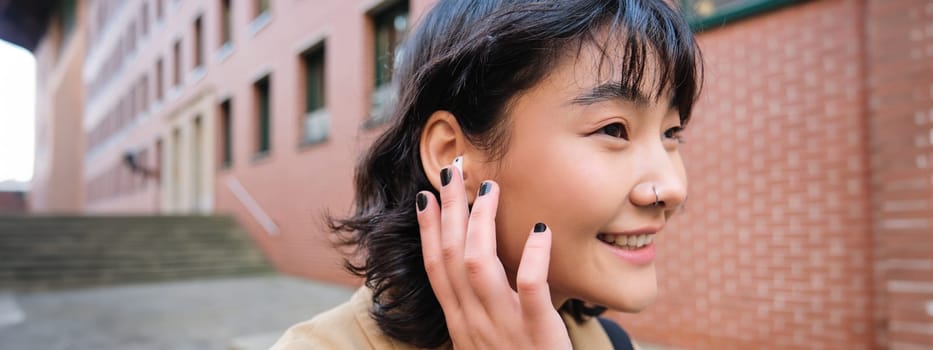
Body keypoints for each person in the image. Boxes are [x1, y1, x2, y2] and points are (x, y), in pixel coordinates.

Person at [271, 0, 702, 348]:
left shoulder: (611, 343)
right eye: (614, 129)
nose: (671, 187)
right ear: (452, 156)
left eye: (671, 133)